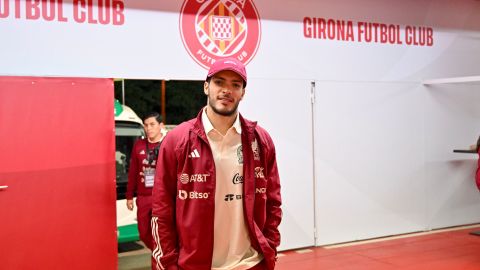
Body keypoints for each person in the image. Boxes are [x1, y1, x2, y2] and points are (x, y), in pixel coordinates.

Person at [151, 58, 282, 270]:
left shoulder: (260, 140)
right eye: (219, 82)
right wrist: (167, 264)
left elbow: (273, 203)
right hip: (195, 265)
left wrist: (270, 248)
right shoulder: (177, 140)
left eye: (235, 85)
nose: (226, 90)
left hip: (251, 264)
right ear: (206, 87)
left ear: (243, 93)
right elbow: (161, 212)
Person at [126, 112, 166, 250]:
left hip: (162, 197)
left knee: (162, 232)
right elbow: (132, 171)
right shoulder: (139, 145)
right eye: (146, 125)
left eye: (152, 124)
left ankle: (161, 257)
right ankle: (158, 252)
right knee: (144, 232)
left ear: (161, 126)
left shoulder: (168, 144)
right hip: (143, 196)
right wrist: (129, 196)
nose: (149, 128)